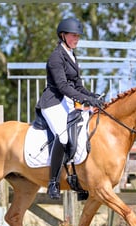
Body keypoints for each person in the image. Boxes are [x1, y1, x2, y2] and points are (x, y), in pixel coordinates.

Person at [36, 17, 103, 199]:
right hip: (52, 102)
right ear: (63, 35)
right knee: (64, 136)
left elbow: (78, 85)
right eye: (73, 36)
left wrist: (92, 97)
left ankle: (77, 181)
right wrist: (85, 100)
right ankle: (53, 183)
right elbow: (63, 87)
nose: (76, 39)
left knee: (81, 135)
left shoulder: (72, 55)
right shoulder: (55, 57)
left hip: (66, 101)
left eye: (78, 36)